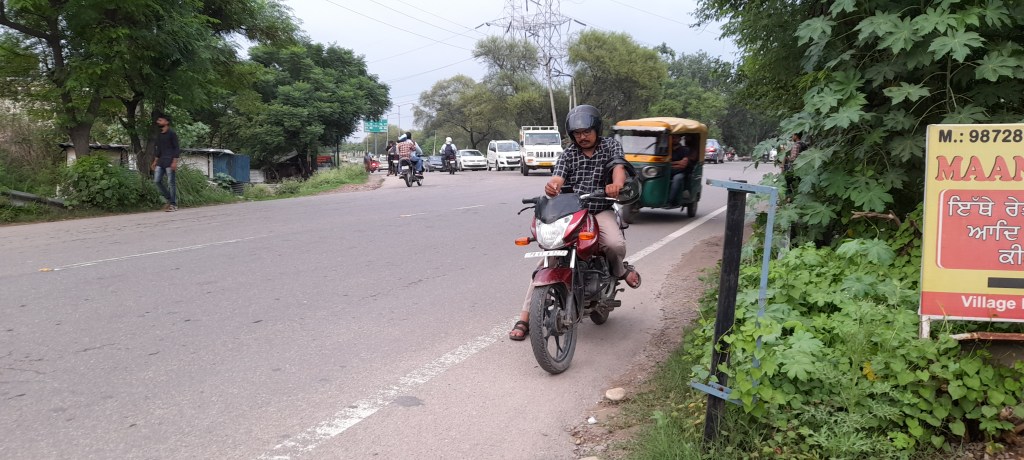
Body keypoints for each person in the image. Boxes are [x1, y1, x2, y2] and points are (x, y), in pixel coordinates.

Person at [509, 104, 642, 341]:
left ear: (596, 130)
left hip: (599, 208)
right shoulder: (568, 154)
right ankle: (525, 317)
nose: (582, 137)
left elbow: (618, 168)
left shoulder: (610, 145)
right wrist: (552, 186)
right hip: (573, 212)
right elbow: (558, 177)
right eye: (577, 133)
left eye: (586, 131)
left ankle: (620, 270)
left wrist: (616, 185)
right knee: (548, 259)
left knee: (613, 244)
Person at [151, 114, 180, 212]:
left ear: (166, 122)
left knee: (171, 183)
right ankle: (170, 199)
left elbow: (176, 148)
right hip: (161, 161)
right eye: (158, 120)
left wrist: (174, 162)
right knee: (157, 181)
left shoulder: (172, 133)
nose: (158, 122)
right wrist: (155, 161)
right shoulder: (160, 135)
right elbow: (158, 149)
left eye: (160, 120)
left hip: (170, 161)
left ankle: (173, 205)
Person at [667, 135, 698, 206]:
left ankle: (671, 200)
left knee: (677, 179)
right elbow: (663, 162)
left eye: (676, 138)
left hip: (680, 172)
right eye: (673, 138)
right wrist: (677, 162)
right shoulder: (666, 149)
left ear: (679, 139)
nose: (674, 139)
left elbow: (683, 165)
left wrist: (670, 164)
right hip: (667, 171)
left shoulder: (685, 150)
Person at [782, 132, 807, 198]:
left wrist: (787, 157)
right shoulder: (804, 144)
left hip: (794, 168)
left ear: (796, 136)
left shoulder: (796, 145)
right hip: (803, 167)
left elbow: (793, 158)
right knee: (800, 183)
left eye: (793, 135)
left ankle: (790, 198)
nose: (792, 137)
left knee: (789, 182)